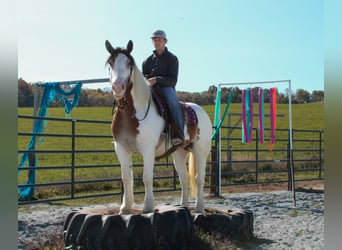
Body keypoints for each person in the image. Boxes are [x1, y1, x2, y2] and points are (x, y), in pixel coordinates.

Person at [142, 29, 184, 146]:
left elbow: (173, 80)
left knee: (172, 100)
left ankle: (178, 132)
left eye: (159, 40)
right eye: (154, 40)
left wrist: (156, 80)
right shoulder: (147, 61)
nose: (156, 42)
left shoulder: (172, 59)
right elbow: (144, 77)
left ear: (165, 41)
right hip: (149, 88)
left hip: (166, 88)